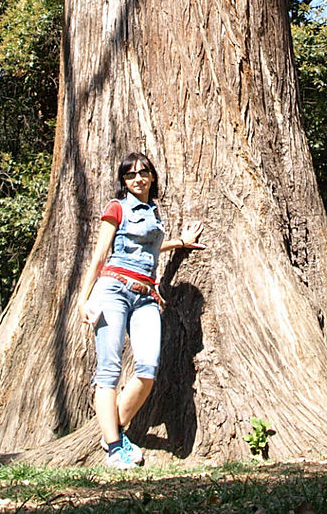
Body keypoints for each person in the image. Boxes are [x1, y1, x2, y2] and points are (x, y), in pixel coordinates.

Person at [77, 152, 204, 469]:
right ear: (123, 180)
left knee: (148, 369)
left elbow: (147, 245)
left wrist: (179, 243)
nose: (138, 178)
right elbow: (100, 254)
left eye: (143, 172)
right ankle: (114, 448)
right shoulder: (116, 208)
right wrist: (83, 298)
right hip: (113, 290)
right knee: (109, 370)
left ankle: (112, 430)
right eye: (130, 174)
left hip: (147, 296)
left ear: (152, 176)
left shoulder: (153, 212)